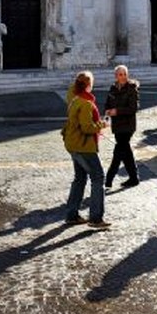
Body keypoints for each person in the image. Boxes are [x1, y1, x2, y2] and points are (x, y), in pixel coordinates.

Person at [62, 71, 110, 229]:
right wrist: (102, 125)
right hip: (83, 146)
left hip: (73, 144)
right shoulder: (85, 103)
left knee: (80, 178)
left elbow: (72, 89)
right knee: (98, 178)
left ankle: (72, 214)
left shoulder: (74, 98)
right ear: (89, 84)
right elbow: (87, 127)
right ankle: (96, 218)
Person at [103, 65, 140, 188]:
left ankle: (108, 179)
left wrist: (117, 111)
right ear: (116, 76)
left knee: (118, 151)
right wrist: (108, 111)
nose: (123, 76)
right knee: (125, 151)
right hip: (117, 125)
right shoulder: (113, 88)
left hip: (128, 125)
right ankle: (134, 178)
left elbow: (133, 108)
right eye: (120, 74)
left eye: (124, 74)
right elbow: (107, 104)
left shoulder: (131, 88)